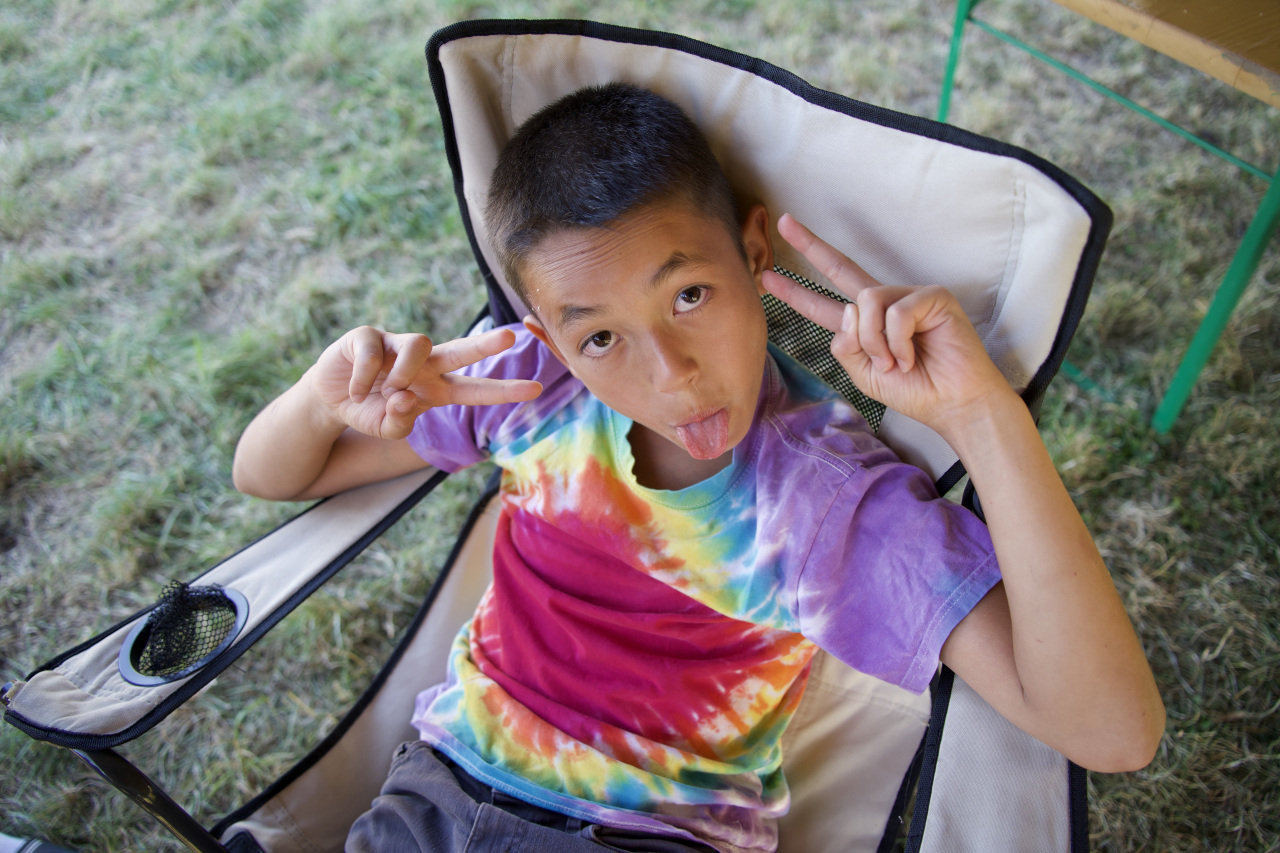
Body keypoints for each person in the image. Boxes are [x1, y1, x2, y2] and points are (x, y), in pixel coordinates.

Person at [232, 83, 1164, 853]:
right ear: (548, 334)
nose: (669, 374)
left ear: (754, 252)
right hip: (433, 795)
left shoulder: (820, 501)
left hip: (644, 835)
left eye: (688, 294)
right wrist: (320, 396)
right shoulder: (528, 386)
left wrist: (985, 418)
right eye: (600, 337)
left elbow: (1110, 731)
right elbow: (274, 473)